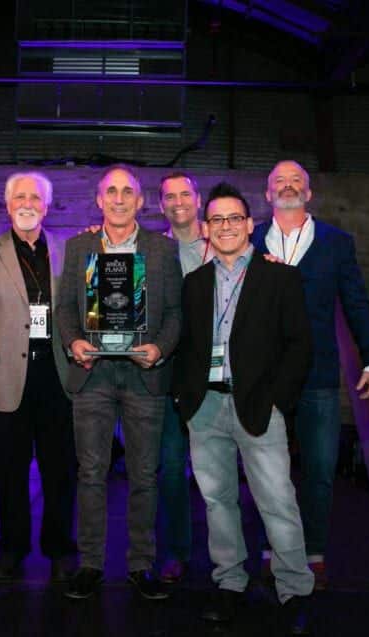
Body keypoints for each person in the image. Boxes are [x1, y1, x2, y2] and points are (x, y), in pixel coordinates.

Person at [173, 182, 314, 635]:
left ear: (250, 225)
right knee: (217, 502)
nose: (227, 226)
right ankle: (229, 584)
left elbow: (299, 346)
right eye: (217, 219)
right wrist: (185, 399)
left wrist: (278, 401)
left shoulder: (280, 276)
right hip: (205, 406)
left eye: (235, 218)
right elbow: (188, 345)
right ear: (207, 228)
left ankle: (295, 592)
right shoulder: (194, 283)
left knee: (277, 500)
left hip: (258, 406)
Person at [251, 160, 369, 591]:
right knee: (268, 471)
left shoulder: (336, 243)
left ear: (308, 194)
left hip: (319, 375)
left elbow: (356, 302)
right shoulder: (247, 238)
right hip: (264, 376)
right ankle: (274, 551)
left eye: (297, 182)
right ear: (267, 194)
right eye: (279, 182)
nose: (288, 187)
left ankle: (313, 554)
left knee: (321, 469)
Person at [55, 166, 182, 600]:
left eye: (128, 191)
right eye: (111, 191)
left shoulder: (163, 251)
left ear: (141, 202)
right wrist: (73, 340)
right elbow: (66, 310)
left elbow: (176, 315)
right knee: (91, 472)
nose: (120, 198)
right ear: (99, 199)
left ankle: (140, 565)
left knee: (145, 474)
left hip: (144, 374)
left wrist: (159, 349)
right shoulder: (79, 247)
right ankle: (90, 564)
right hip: (93, 374)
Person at [0, 171, 77, 583]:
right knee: (9, 472)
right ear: (8, 204)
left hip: (59, 377)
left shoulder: (69, 251)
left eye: (36, 197)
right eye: (19, 197)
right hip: (4, 379)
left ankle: (60, 548)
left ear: (46, 206)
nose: (27, 203)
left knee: (61, 471)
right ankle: (11, 549)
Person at [155, 171, 214, 583]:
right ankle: (176, 552)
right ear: (161, 206)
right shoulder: (154, 249)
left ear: (198, 199)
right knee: (171, 469)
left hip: (213, 374)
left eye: (185, 194)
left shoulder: (223, 242)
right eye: (169, 196)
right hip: (166, 376)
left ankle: (225, 558)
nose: (178, 202)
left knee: (217, 473)